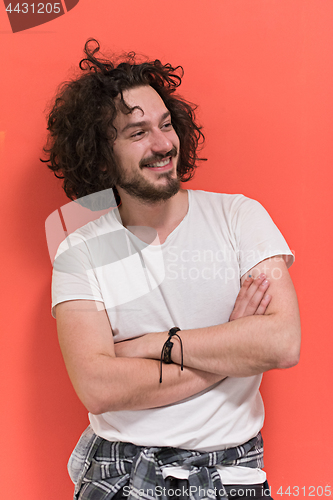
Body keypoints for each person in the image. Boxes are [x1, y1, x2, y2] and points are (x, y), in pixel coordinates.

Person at [44, 39, 301, 500]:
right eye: (138, 132)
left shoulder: (241, 218)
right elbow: (99, 387)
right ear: (101, 154)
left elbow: (282, 343)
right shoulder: (78, 250)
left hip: (233, 473)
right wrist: (232, 347)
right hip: (120, 472)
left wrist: (150, 346)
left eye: (166, 125)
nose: (164, 144)